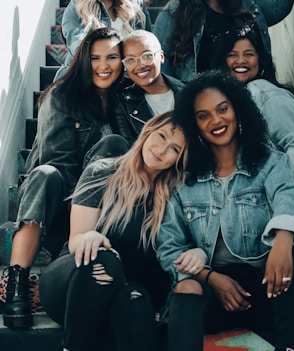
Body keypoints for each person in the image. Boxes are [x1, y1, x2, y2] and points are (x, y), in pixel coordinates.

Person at [156, 70, 294, 351]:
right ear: (194, 125)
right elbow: (169, 248)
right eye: (203, 116)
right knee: (185, 288)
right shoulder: (183, 181)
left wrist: (283, 239)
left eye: (222, 109)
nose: (216, 120)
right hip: (214, 295)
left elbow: (292, 194)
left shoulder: (270, 163)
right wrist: (211, 278)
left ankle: (289, 347)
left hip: (268, 287)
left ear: (238, 110)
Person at [3, 27, 130, 330]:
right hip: (60, 200)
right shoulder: (62, 95)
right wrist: (80, 211)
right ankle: (17, 282)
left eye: (112, 57)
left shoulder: (125, 100)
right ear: (84, 60)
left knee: (115, 147)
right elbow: (54, 162)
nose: (103, 65)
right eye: (95, 57)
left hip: (103, 207)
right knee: (44, 175)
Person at [38, 112, 192, 351]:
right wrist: (89, 236)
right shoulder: (103, 172)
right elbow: (76, 239)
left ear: (179, 159)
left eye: (173, 148)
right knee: (103, 257)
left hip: (123, 297)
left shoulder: (176, 193)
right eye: (161, 136)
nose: (161, 149)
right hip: (73, 286)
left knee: (137, 297)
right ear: (148, 130)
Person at [214, 19, 294, 263]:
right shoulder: (234, 101)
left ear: (261, 59)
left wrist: (285, 200)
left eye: (249, 54)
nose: (240, 61)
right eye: (232, 55)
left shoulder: (262, 91)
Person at [152, 0, 294, 81]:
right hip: (203, 102)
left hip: (249, 95)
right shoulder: (174, 11)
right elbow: (159, 63)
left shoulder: (245, 4)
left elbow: (278, 8)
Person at [112, 29, 184, 146]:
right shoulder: (122, 103)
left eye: (147, 56)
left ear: (161, 56)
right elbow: (130, 151)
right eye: (131, 60)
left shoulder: (190, 92)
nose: (140, 65)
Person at [54, 0, 152, 80]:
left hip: (129, 78)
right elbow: (78, 46)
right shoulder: (78, 6)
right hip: (88, 76)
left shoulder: (136, 5)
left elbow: (149, 45)